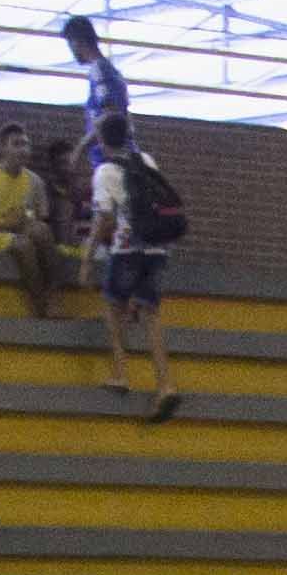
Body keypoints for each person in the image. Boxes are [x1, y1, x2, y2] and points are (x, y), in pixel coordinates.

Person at [91, 137, 186, 422]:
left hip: (128, 248)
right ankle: (165, 385)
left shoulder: (104, 171)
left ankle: (120, 373)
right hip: (157, 248)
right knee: (151, 316)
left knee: (111, 304)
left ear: (102, 143)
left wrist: (87, 259)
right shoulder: (145, 160)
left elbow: (106, 219)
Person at [0, 123, 66, 316]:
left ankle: (54, 294)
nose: (23, 149)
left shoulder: (35, 181)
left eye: (26, 144)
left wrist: (26, 223)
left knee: (41, 231)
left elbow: (41, 219)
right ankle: (38, 301)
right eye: (16, 144)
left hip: (24, 229)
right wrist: (6, 224)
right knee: (23, 245)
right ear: (3, 148)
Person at [61, 13, 132, 171]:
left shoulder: (99, 70)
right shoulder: (113, 72)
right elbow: (126, 118)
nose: (71, 50)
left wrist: (80, 149)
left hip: (112, 161)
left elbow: (110, 116)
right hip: (122, 158)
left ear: (78, 41)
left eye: (70, 44)